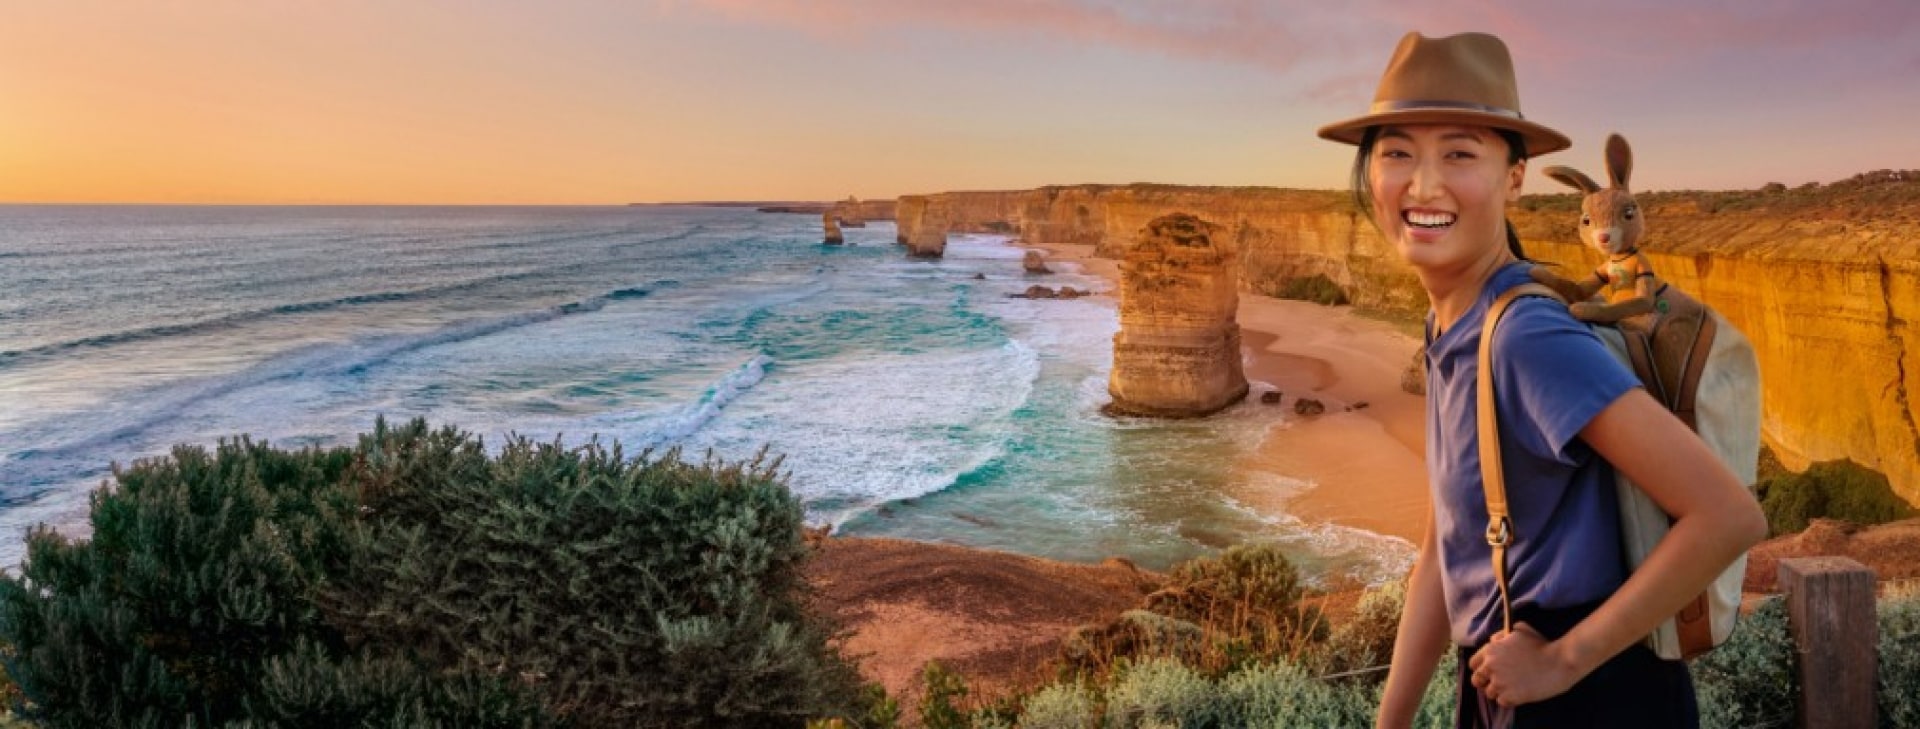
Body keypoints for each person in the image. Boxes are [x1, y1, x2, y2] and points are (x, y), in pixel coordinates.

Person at [1315, 32, 1767, 728]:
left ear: (1515, 176)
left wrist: (1562, 660)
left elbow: (1729, 515)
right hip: (1506, 684)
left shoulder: (1526, 337)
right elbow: (1444, 547)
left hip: (1586, 693)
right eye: (1398, 151)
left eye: (1459, 153)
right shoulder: (1451, 327)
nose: (1423, 182)